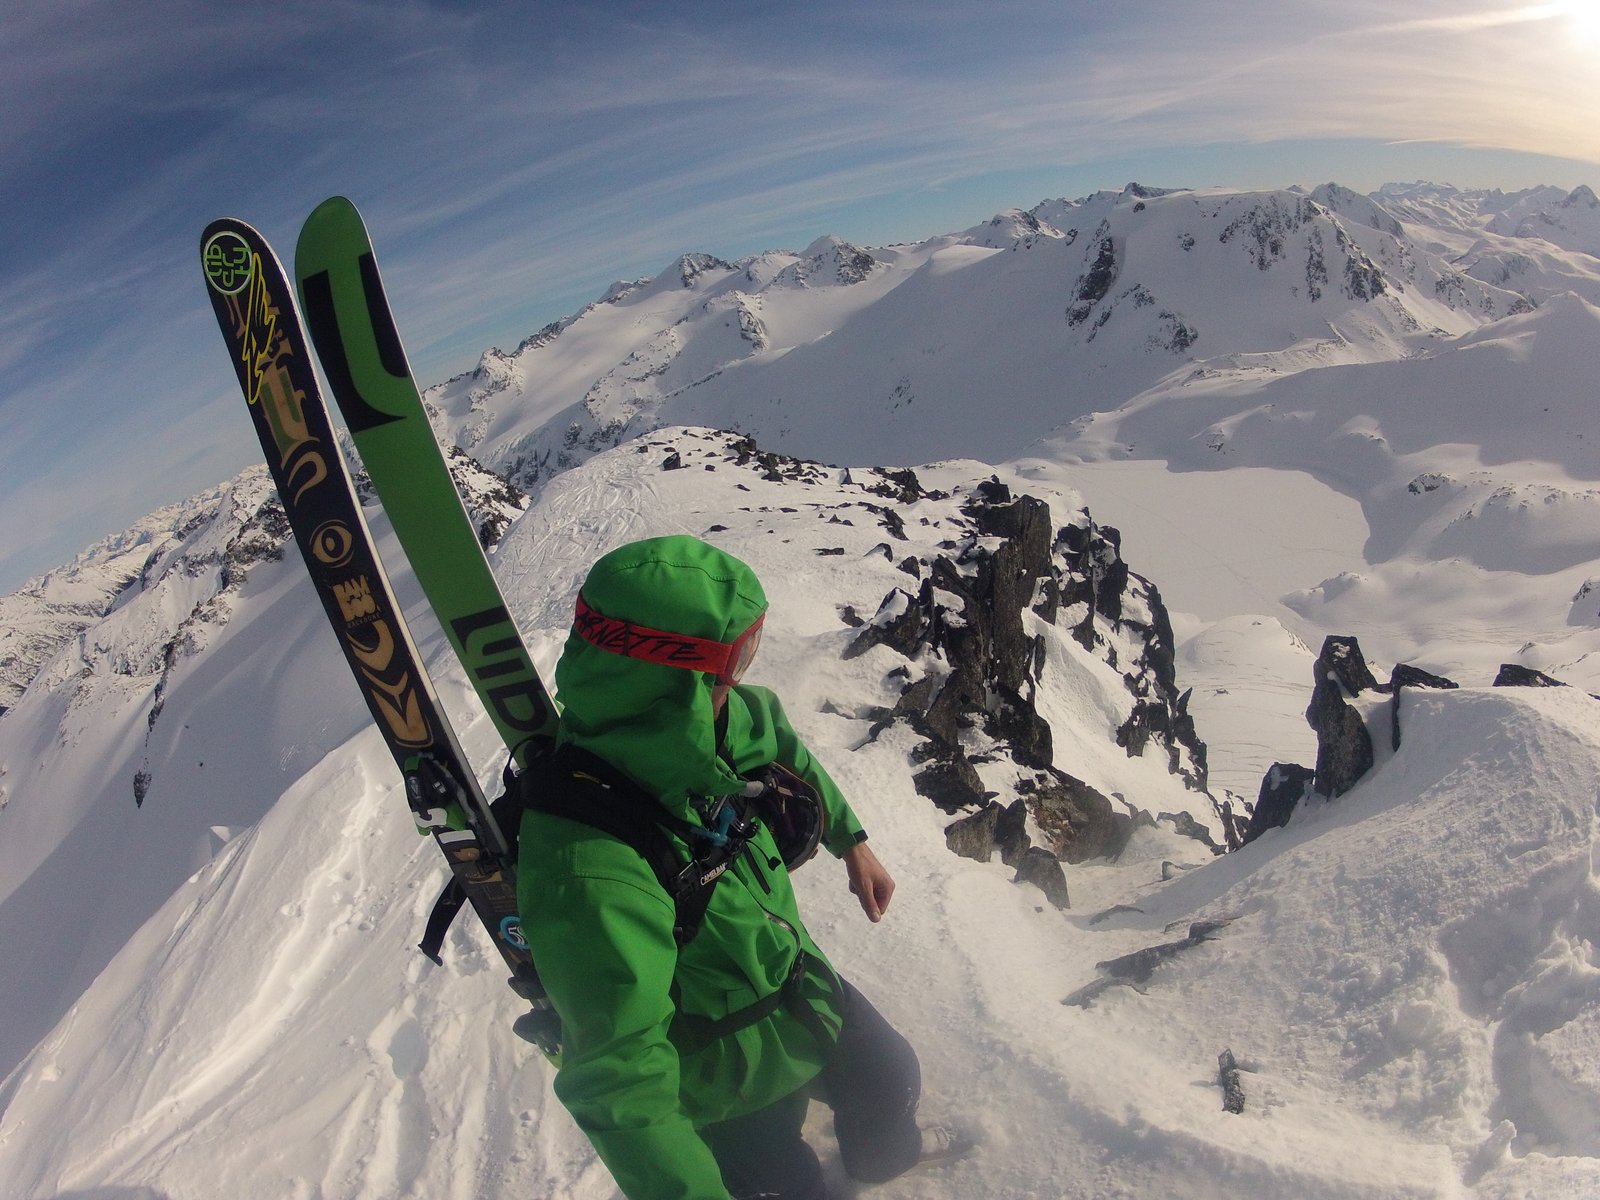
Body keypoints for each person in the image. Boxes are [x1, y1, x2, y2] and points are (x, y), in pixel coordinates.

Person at [515, 535, 954, 1200]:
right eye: (738, 657)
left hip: (794, 984)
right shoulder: (591, 872)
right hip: (719, 1074)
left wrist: (851, 839)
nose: (746, 676)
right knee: (794, 1187)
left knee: (891, 1080)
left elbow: (783, 744)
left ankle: (881, 1177)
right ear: (674, 675)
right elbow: (624, 1084)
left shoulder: (716, 722)